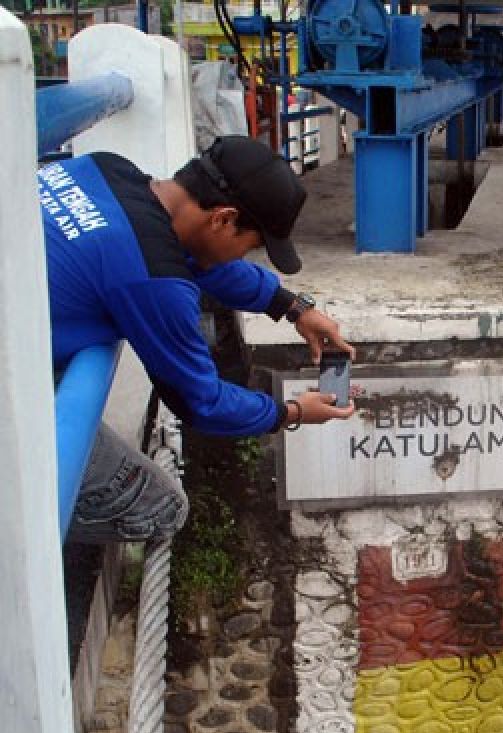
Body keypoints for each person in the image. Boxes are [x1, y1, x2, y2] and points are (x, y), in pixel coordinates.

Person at [42, 135, 356, 543]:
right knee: (161, 509)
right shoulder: (155, 283)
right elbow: (200, 402)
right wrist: (292, 413)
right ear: (224, 219)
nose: (242, 257)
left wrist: (292, 307)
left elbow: (195, 261)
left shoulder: (107, 168)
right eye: (250, 246)